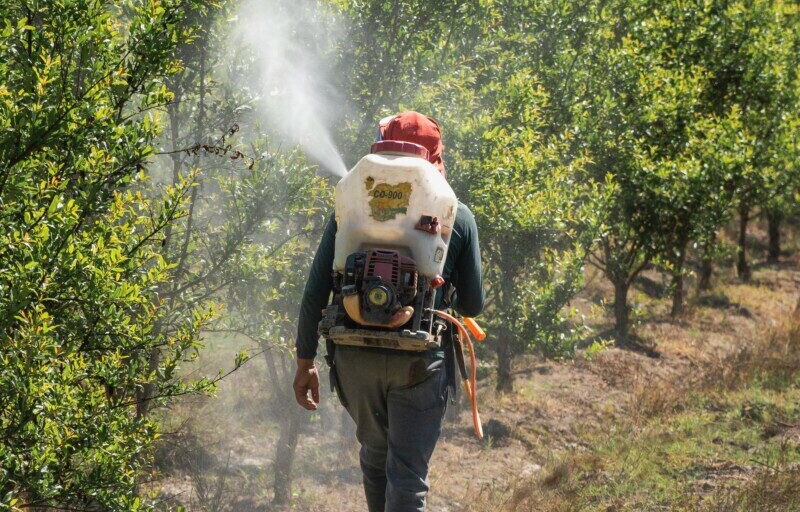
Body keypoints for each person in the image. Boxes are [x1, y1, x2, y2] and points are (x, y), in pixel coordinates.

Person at [293, 111, 484, 512]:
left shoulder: (350, 210)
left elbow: (315, 290)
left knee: (375, 460)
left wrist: (305, 361)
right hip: (417, 363)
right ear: (434, 156)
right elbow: (473, 304)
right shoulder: (456, 215)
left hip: (353, 356)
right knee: (407, 479)